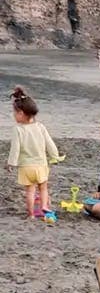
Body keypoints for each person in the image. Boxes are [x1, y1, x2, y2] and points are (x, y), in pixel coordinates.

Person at [7, 87, 61, 222]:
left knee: (30, 191)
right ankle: (44, 207)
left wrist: (11, 163)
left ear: (21, 113)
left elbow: (15, 149)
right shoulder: (40, 127)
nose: (13, 115)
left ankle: (31, 214)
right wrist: (55, 156)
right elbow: (50, 144)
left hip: (26, 167)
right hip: (41, 165)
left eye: (15, 112)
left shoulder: (18, 130)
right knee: (43, 188)